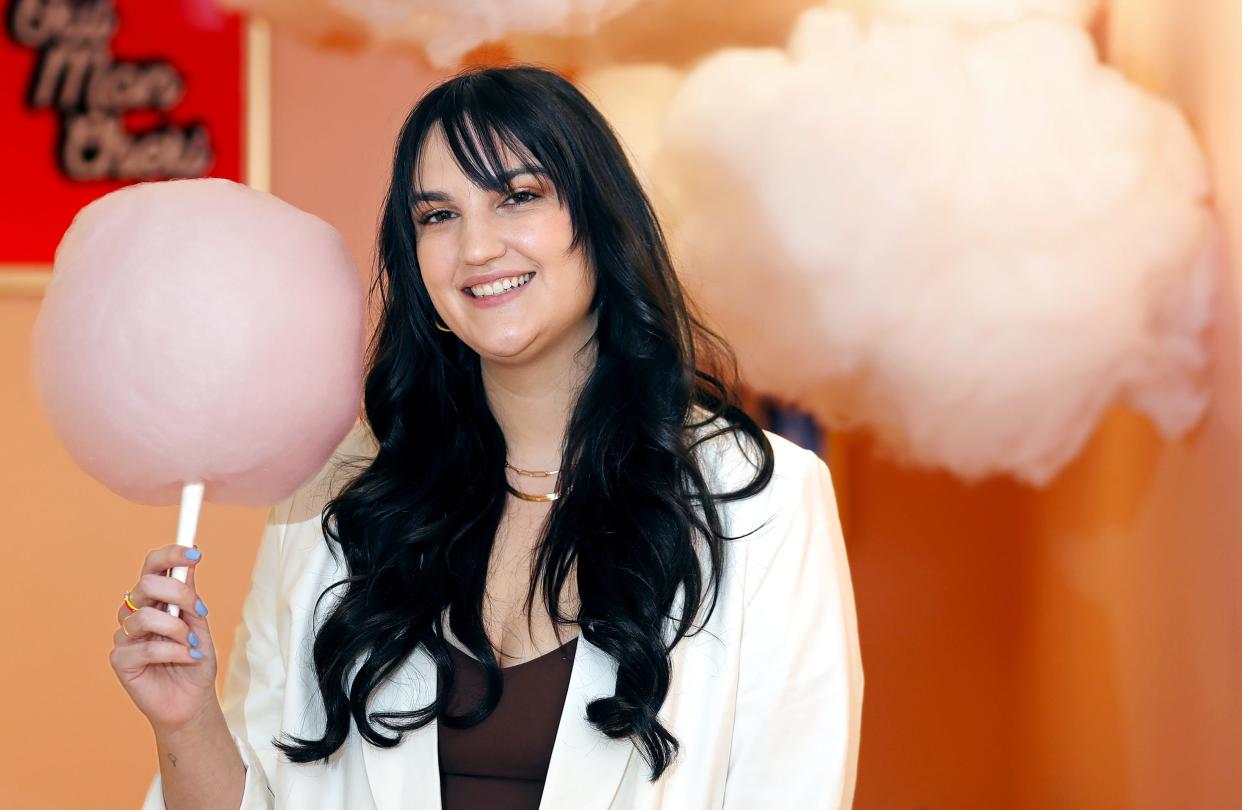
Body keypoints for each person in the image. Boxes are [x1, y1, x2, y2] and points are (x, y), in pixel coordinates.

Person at [111, 64, 863, 810]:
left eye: (520, 197)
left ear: (600, 224)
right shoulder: (333, 497)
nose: (476, 248)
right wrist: (186, 718)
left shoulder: (762, 504)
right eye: (438, 215)